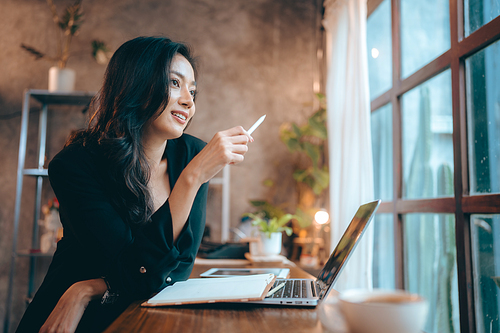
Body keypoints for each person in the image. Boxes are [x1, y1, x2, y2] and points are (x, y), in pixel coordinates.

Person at [16, 36, 253, 333]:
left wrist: (86, 289)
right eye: (175, 83)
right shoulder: (75, 165)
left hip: (133, 314)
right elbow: (135, 271)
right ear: (136, 84)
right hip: (80, 322)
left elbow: (175, 272)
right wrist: (192, 179)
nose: (189, 101)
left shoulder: (192, 155)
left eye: (193, 91)